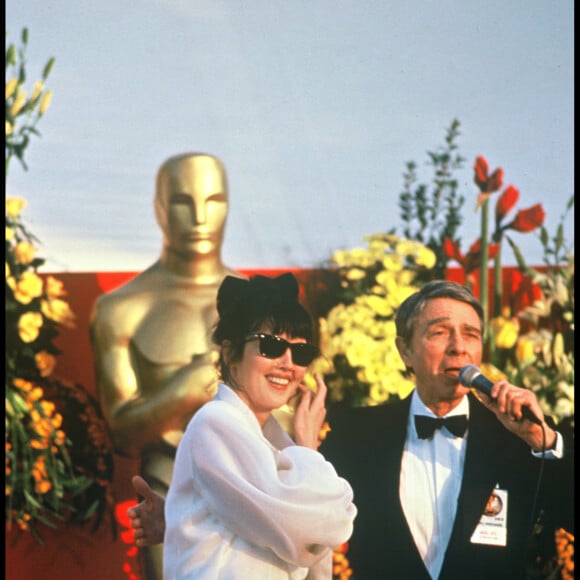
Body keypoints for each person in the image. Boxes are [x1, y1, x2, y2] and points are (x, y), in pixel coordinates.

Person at [127, 280, 573, 579]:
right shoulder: (359, 434)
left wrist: (544, 442)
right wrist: (184, 513)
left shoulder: (518, 439)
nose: (458, 346)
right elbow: (291, 514)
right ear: (406, 351)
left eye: (471, 334)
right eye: (440, 332)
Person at [89, 152, 242, 579]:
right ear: (159, 208)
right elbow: (121, 430)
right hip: (167, 500)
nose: (198, 217)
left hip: (255, 502)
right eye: (181, 201)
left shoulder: (263, 306)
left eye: (213, 200)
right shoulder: (122, 310)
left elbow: (290, 418)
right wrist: (186, 388)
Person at [163, 272, 357, 578]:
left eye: (302, 352)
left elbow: (326, 536)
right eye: (271, 346)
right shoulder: (216, 424)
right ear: (230, 355)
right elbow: (305, 531)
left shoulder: (274, 442)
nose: (288, 363)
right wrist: (308, 450)